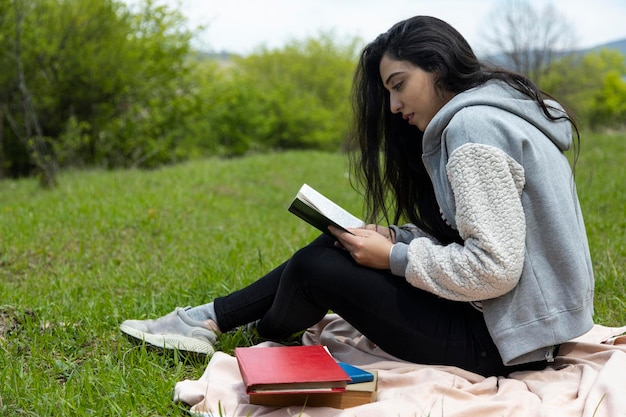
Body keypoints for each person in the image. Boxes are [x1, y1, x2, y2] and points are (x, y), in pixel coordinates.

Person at [120, 15, 594, 377]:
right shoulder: (501, 114)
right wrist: (394, 237)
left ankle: (239, 329)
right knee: (337, 245)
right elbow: (490, 236)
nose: (393, 106)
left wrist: (394, 257)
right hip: (523, 328)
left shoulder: (472, 130)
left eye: (398, 85)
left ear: (437, 65)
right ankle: (210, 321)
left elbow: (494, 267)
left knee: (315, 267)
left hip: (502, 343)